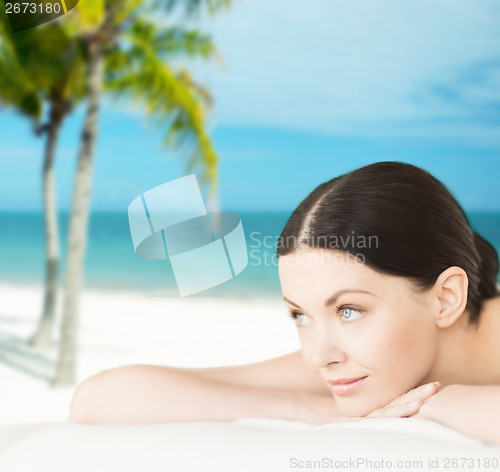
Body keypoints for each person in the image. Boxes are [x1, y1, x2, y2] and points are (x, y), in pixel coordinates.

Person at [69, 161, 500, 446]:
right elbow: (99, 398)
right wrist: (319, 413)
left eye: (349, 310)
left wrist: (435, 405)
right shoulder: (355, 365)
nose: (317, 356)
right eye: (300, 315)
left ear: (446, 298)